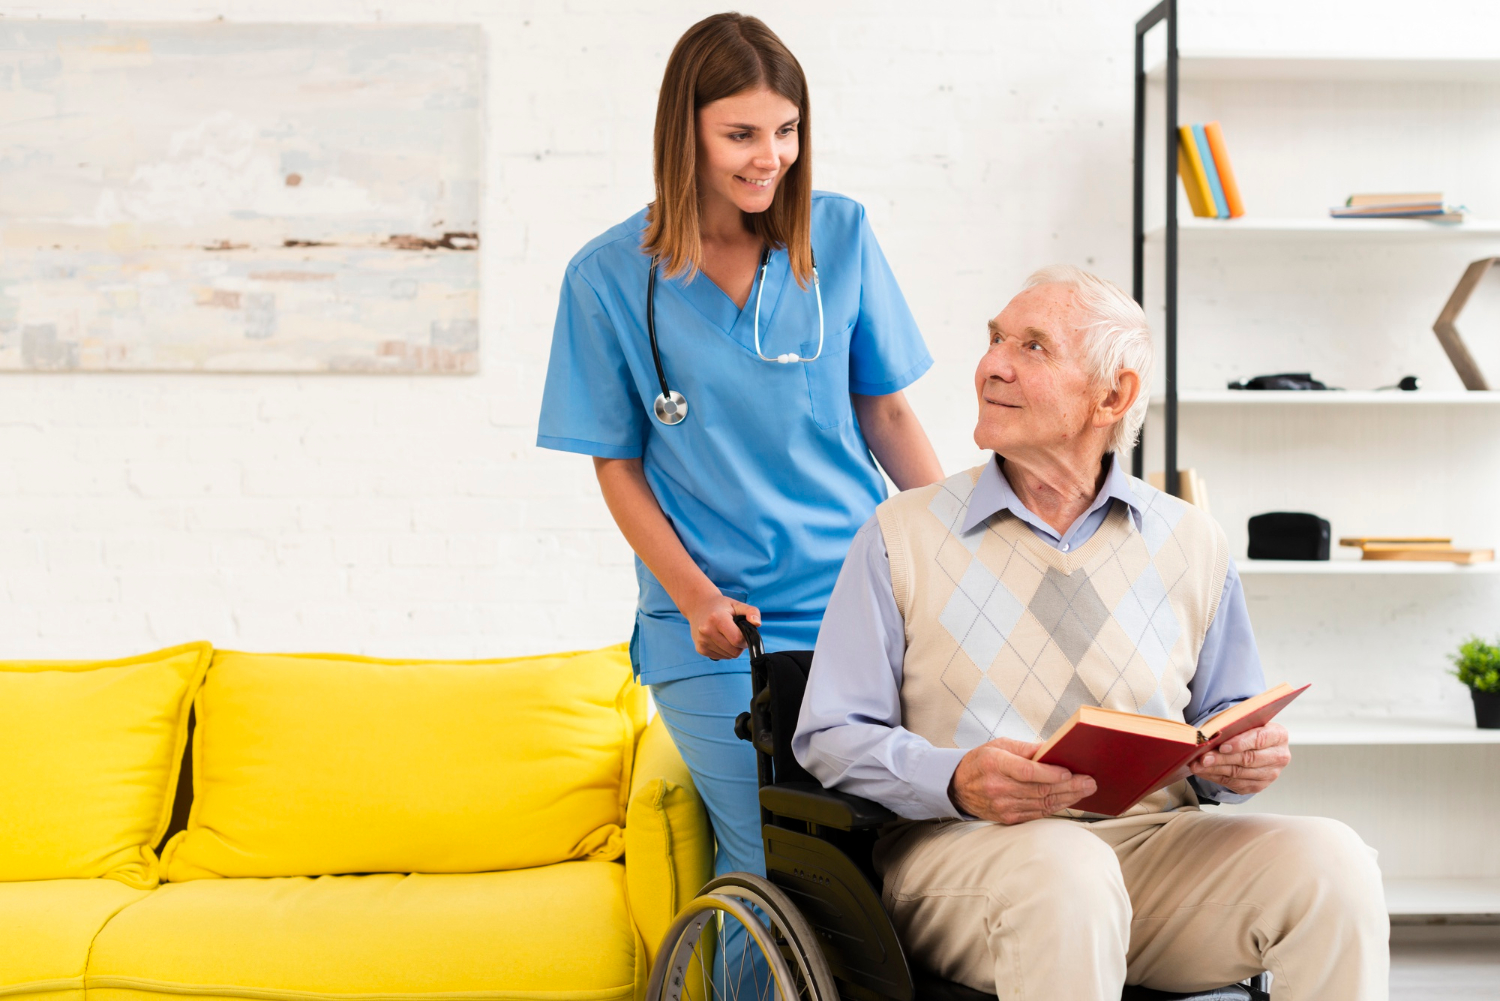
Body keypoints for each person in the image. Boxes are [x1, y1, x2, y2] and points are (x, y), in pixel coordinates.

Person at [794, 265, 1389, 1000]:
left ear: (1114, 396)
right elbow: (830, 734)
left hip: (1152, 850)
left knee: (1337, 861)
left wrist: (1239, 759)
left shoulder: (1190, 539)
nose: (993, 364)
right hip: (966, 859)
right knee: (1066, 874)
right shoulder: (899, 535)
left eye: (1034, 347)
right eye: (995, 339)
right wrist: (954, 778)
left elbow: (1222, 723)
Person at [537, 11, 943, 909]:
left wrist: (969, 549)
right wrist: (693, 599)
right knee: (777, 869)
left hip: (861, 606)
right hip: (722, 625)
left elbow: (886, 410)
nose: (770, 157)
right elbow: (617, 465)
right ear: (684, 131)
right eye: (741, 134)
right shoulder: (607, 277)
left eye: (787, 130)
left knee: (890, 861)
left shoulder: (837, 238)